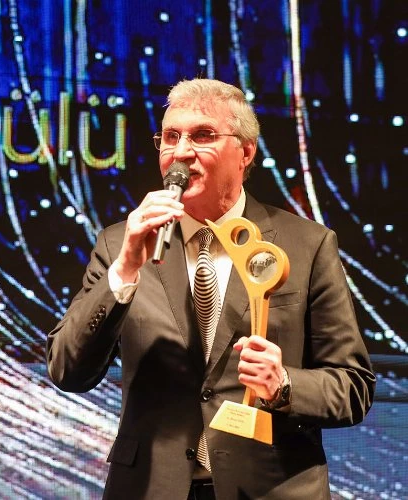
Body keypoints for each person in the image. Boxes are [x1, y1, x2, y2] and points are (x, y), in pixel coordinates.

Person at [47, 78, 375, 499]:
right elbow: (67, 369)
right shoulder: (120, 244)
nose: (181, 152)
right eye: (171, 137)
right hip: (152, 488)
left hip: (269, 488)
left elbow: (353, 387)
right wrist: (125, 269)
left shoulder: (307, 244)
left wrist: (283, 384)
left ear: (246, 153)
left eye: (202, 136)